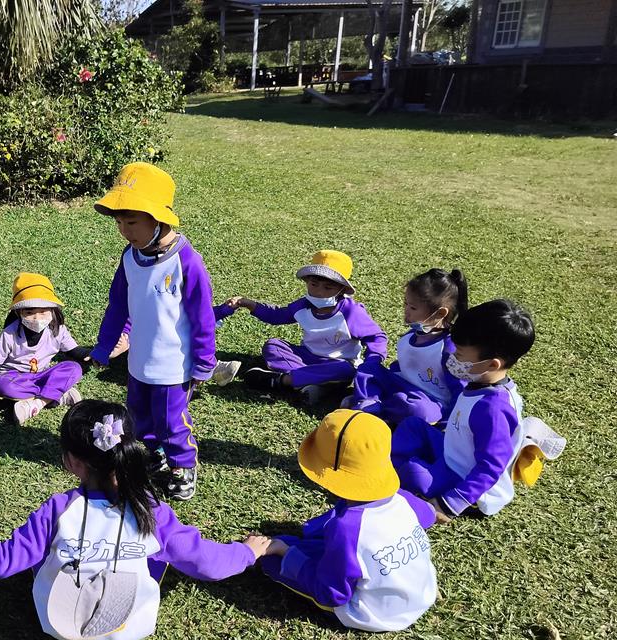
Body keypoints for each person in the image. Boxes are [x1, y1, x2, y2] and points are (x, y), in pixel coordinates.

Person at [0, 400, 271, 640]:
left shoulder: (58, 509)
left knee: (43, 550)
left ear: (70, 461)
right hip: (131, 626)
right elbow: (207, 563)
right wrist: (248, 552)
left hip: (57, 622)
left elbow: (1, 562)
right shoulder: (153, 512)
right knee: (160, 552)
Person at [89, 163, 216, 501]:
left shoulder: (186, 262)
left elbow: (203, 317)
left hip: (173, 366)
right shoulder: (130, 257)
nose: (124, 231)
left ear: (158, 218)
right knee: (140, 417)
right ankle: (153, 454)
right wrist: (104, 346)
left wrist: (205, 362)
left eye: (131, 222)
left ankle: (183, 466)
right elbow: (118, 305)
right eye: (119, 222)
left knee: (172, 421)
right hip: (139, 362)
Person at [261, 409, 438, 632]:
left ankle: (282, 553)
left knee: (273, 558)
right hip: (421, 594)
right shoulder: (401, 498)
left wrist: (285, 553)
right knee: (315, 547)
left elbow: (331, 593)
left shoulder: (347, 527)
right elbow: (428, 515)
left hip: (374, 614)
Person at [391, 299, 534, 521]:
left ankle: (398, 470)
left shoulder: (493, 409)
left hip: (465, 479)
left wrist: (451, 503)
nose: (452, 358)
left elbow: (490, 466)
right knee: (413, 426)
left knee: (414, 474)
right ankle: (393, 462)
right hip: (452, 453)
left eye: (458, 354)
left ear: (492, 364)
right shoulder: (480, 381)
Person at [219, 250, 387, 405]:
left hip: (337, 363)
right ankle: (311, 384)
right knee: (273, 346)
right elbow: (277, 315)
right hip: (306, 357)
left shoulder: (351, 312)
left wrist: (371, 362)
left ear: (342, 289)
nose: (319, 292)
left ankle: (283, 380)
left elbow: (376, 337)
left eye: (328, 287)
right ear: (307, 281)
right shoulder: (304, 305)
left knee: (346, 370)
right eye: (314, 284)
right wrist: (249, 304)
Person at [349, 268, 468, 425]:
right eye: (405, 303)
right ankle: (372, 404)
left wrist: (448, 422)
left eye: (413, 308)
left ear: (440, 314)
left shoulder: (449, 347)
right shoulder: (411, 336)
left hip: (430, 401)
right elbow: (405, 366)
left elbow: (460, 389)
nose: (406, 311)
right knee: (369, 369)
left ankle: (376, 407)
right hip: (402, 386)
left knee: (417, 409)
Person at [0, 273, 85, 425]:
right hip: (14, 378)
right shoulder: (9, 334)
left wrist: (95, 354)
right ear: (19, 312)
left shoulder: (58, 330)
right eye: (29, 312)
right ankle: (56, 395)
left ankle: (37, 403)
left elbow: (74, 351)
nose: (37, 318)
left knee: (74, 368)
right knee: (3, 386)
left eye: (43, 311)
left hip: (41, 375)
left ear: (53, 310)